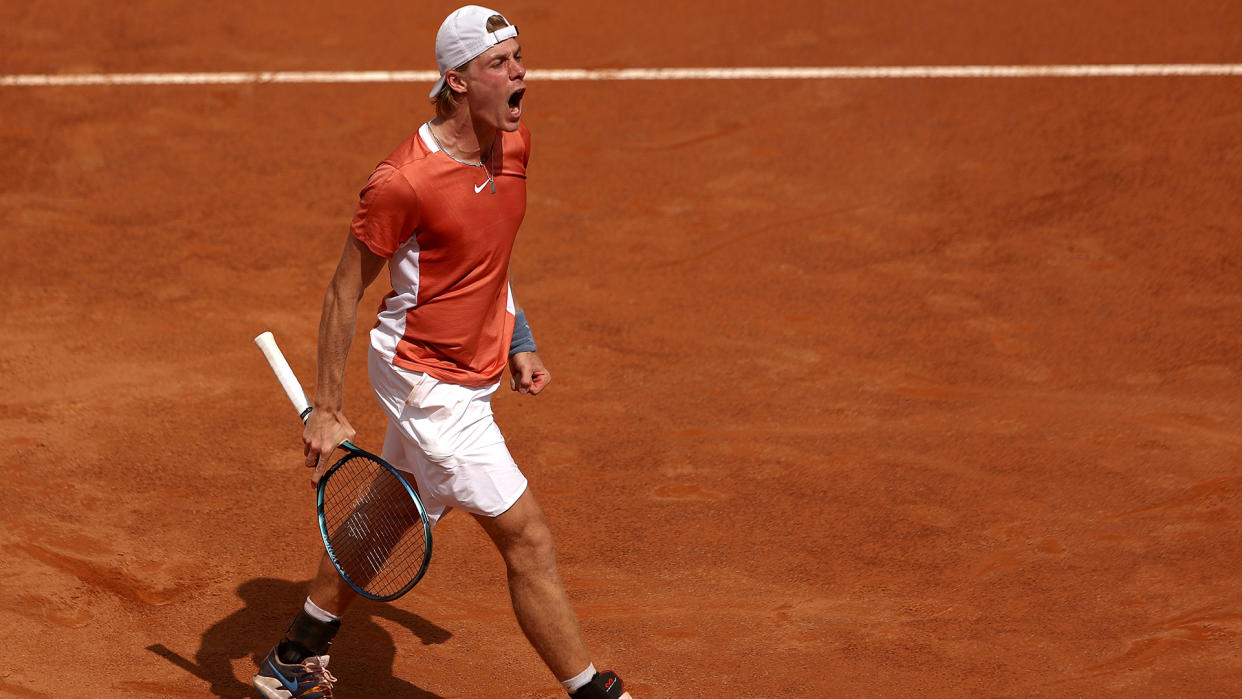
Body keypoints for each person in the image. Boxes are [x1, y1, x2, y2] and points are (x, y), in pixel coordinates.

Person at [251, 6, 632, 699]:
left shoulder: (512, 149)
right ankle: (598, 693)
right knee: (528, 538)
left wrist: (518, 336)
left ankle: (291, 660)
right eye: (500, 63)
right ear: (457, 80)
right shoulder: (403, 181)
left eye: (519, 56)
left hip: (472, 370)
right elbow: (343, 293)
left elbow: (489, 258)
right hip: (427, 379)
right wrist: (327, 408)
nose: (519, 73)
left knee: (390, 512)